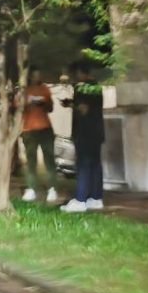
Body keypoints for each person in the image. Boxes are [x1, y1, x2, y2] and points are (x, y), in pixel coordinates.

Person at [60, 62, 105, 213]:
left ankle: (80, 200)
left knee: (83, 166)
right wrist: (72, 102)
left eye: (76, 75)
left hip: (85, 133)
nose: (75, 78)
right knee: (95, 165)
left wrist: (72, 104)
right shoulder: (96, 87)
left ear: (81, 73)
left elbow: (83, 109)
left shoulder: (82, 88)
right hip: (97, 133)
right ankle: (96, 198)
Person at [20, 66, 58, 203]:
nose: (38, 77)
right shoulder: (24, 90)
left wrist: (44, 102)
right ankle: (31, 189)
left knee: (49, 160)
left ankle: (52, 189)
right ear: (30, 76)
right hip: (29, 130)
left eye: (39, 75)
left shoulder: (44, 89)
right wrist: (27, 101)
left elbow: (51, 108)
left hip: (45, 128)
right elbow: (16, 106)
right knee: (31, 161)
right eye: (35, 75)